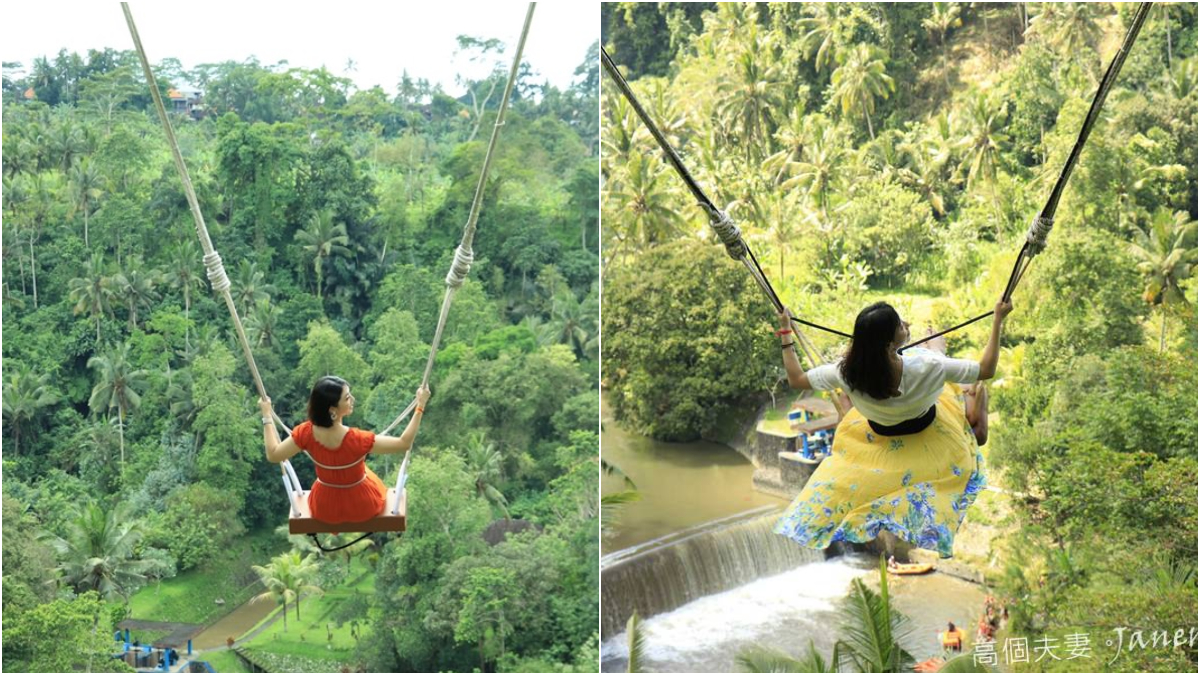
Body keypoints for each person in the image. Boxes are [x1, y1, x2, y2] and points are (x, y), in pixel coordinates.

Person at [774, 299, 1012, 558]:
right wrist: (998, 318)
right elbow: (986, 369)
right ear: (889, 344)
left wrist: (786, 332)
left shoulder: (846, 372)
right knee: (941, 365)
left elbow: (796, 379)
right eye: (899, 324)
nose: (903, 324)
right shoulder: (928, 367)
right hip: (928, 427)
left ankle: (930, 343)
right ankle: (936, 346)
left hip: (878, 432)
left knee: (924, 360)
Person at [259, 376, 431, 524]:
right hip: (363, 506)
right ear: (333, 410)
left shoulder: (305, 434)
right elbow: (404, 443)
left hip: (325, 508)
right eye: (347, 398)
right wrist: (420, 406)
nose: (353, 400)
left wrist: (267, 416)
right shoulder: (358, 440)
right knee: (364, 472)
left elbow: (273, 455)